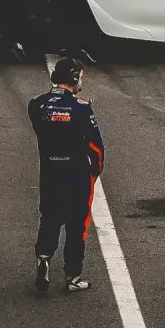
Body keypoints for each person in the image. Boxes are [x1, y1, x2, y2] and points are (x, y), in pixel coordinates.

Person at [30, 57, 105, 293]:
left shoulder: (36, 105)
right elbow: (96, 147)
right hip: (76, 175)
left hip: (50, 172)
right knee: (76, 225)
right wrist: (96, 169)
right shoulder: (81, 108)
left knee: (50, 218)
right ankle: (73, 277)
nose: (82, 82)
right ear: (73, 78)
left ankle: (43, 257)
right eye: (80, 77)